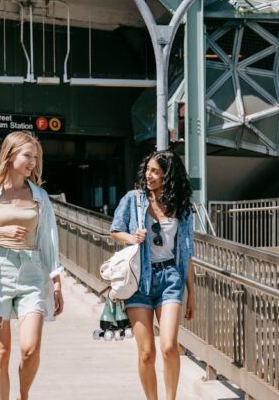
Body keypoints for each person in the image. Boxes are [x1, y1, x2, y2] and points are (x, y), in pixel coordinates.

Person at [0, 131, 64, 400]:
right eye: (27, 156)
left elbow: (50, 239)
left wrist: (55, 281)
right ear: (10, 156)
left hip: (32, 272)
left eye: (36, 157)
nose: (33, 162)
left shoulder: (39, 195)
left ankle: (24, 394)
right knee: (2, 352)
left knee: (30, 349)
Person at [110, 150, 196, 400]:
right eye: (147, 169)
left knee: (169, 346)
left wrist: (192, 293)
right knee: (146, 352)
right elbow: (115, 230)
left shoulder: (182, 207)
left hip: (171, 277)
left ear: (168, 175)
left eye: (155, 171)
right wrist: (132, 237)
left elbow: (187, 251)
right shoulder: (133, 199)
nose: (149, 175)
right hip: (139, 280)